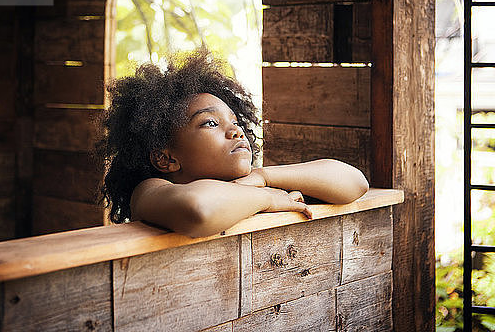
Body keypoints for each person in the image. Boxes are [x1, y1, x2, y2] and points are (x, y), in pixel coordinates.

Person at [94, 50, 369, 238]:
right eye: (210, 123)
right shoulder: (149, 192)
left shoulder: (250, 182)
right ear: (165, 158)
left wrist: (263, 176)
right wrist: (268, 199)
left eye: (236, 121)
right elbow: (199, 208)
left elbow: (354, 183)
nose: (236, 131)